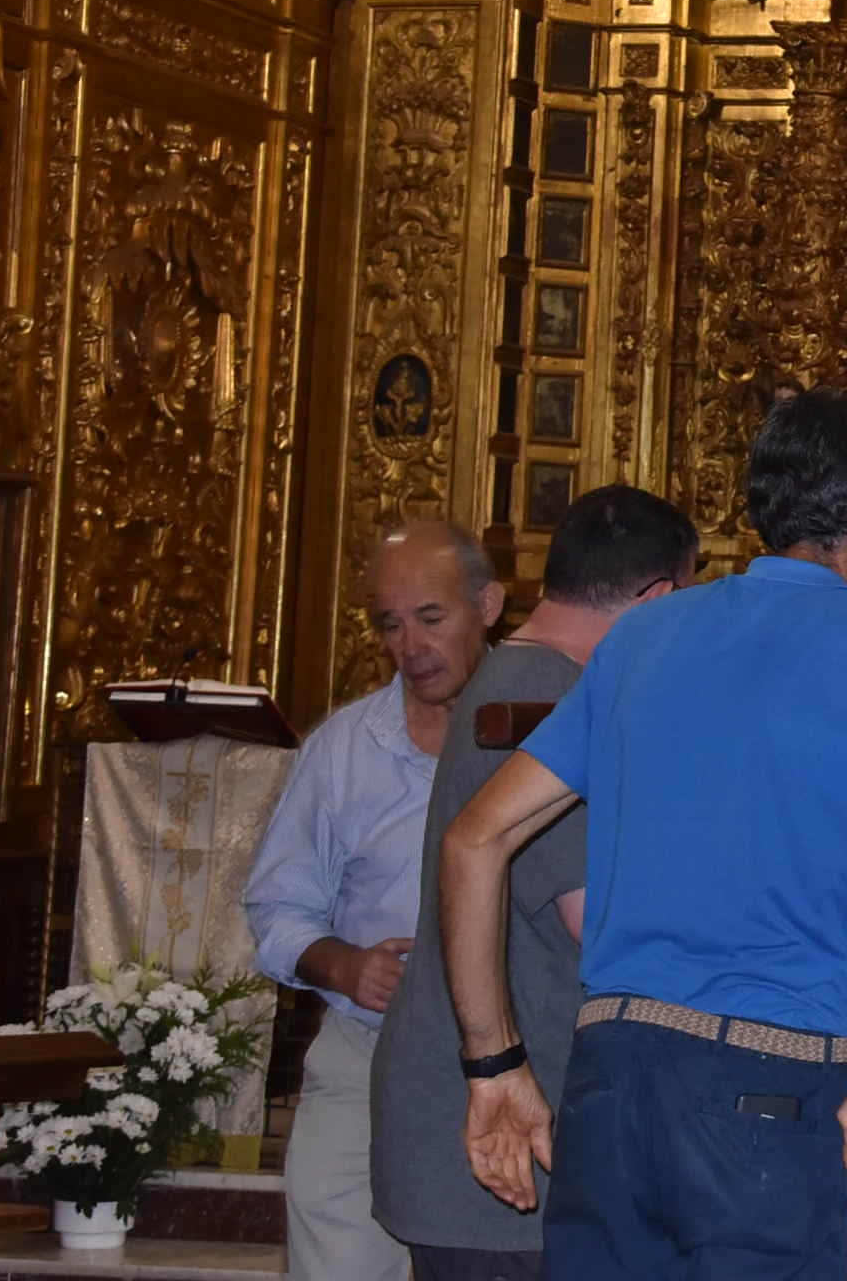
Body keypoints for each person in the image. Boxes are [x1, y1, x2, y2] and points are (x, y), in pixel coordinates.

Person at [437, 388, 847, 1281]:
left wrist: (494, 1066)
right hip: (772, 1098)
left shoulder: (639, 641)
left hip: (611, 1083)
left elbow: (472, 842)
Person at [370, 485, 699, 1280]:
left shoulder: (520, 683)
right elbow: (603, 920)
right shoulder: (546, 701)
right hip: (500, 1145)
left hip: (496, 1132)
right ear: (657, 600)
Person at [244, 521, 501, 1281]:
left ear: (486, 606)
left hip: (517, 1065)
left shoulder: (547, 732)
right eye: (390, 623)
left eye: (430, 617)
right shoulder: (343, 749)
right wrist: (343, 965)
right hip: (366, 1061)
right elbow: (276, 908)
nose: (409, 645)